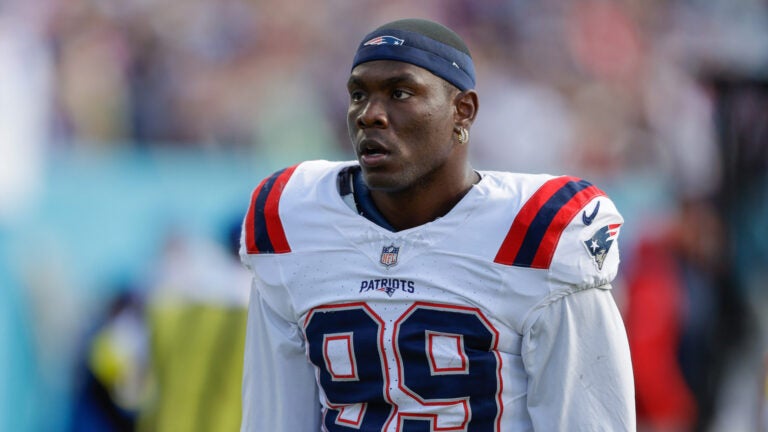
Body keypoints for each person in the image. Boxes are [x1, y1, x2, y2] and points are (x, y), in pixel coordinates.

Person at [239, 18, 635, 431]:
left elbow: (588, 419)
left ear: (462, 110)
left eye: (400, 93)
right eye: (358, 94)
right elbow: (274, 417)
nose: (369, 115)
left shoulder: (538, 234)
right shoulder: (294, 219)